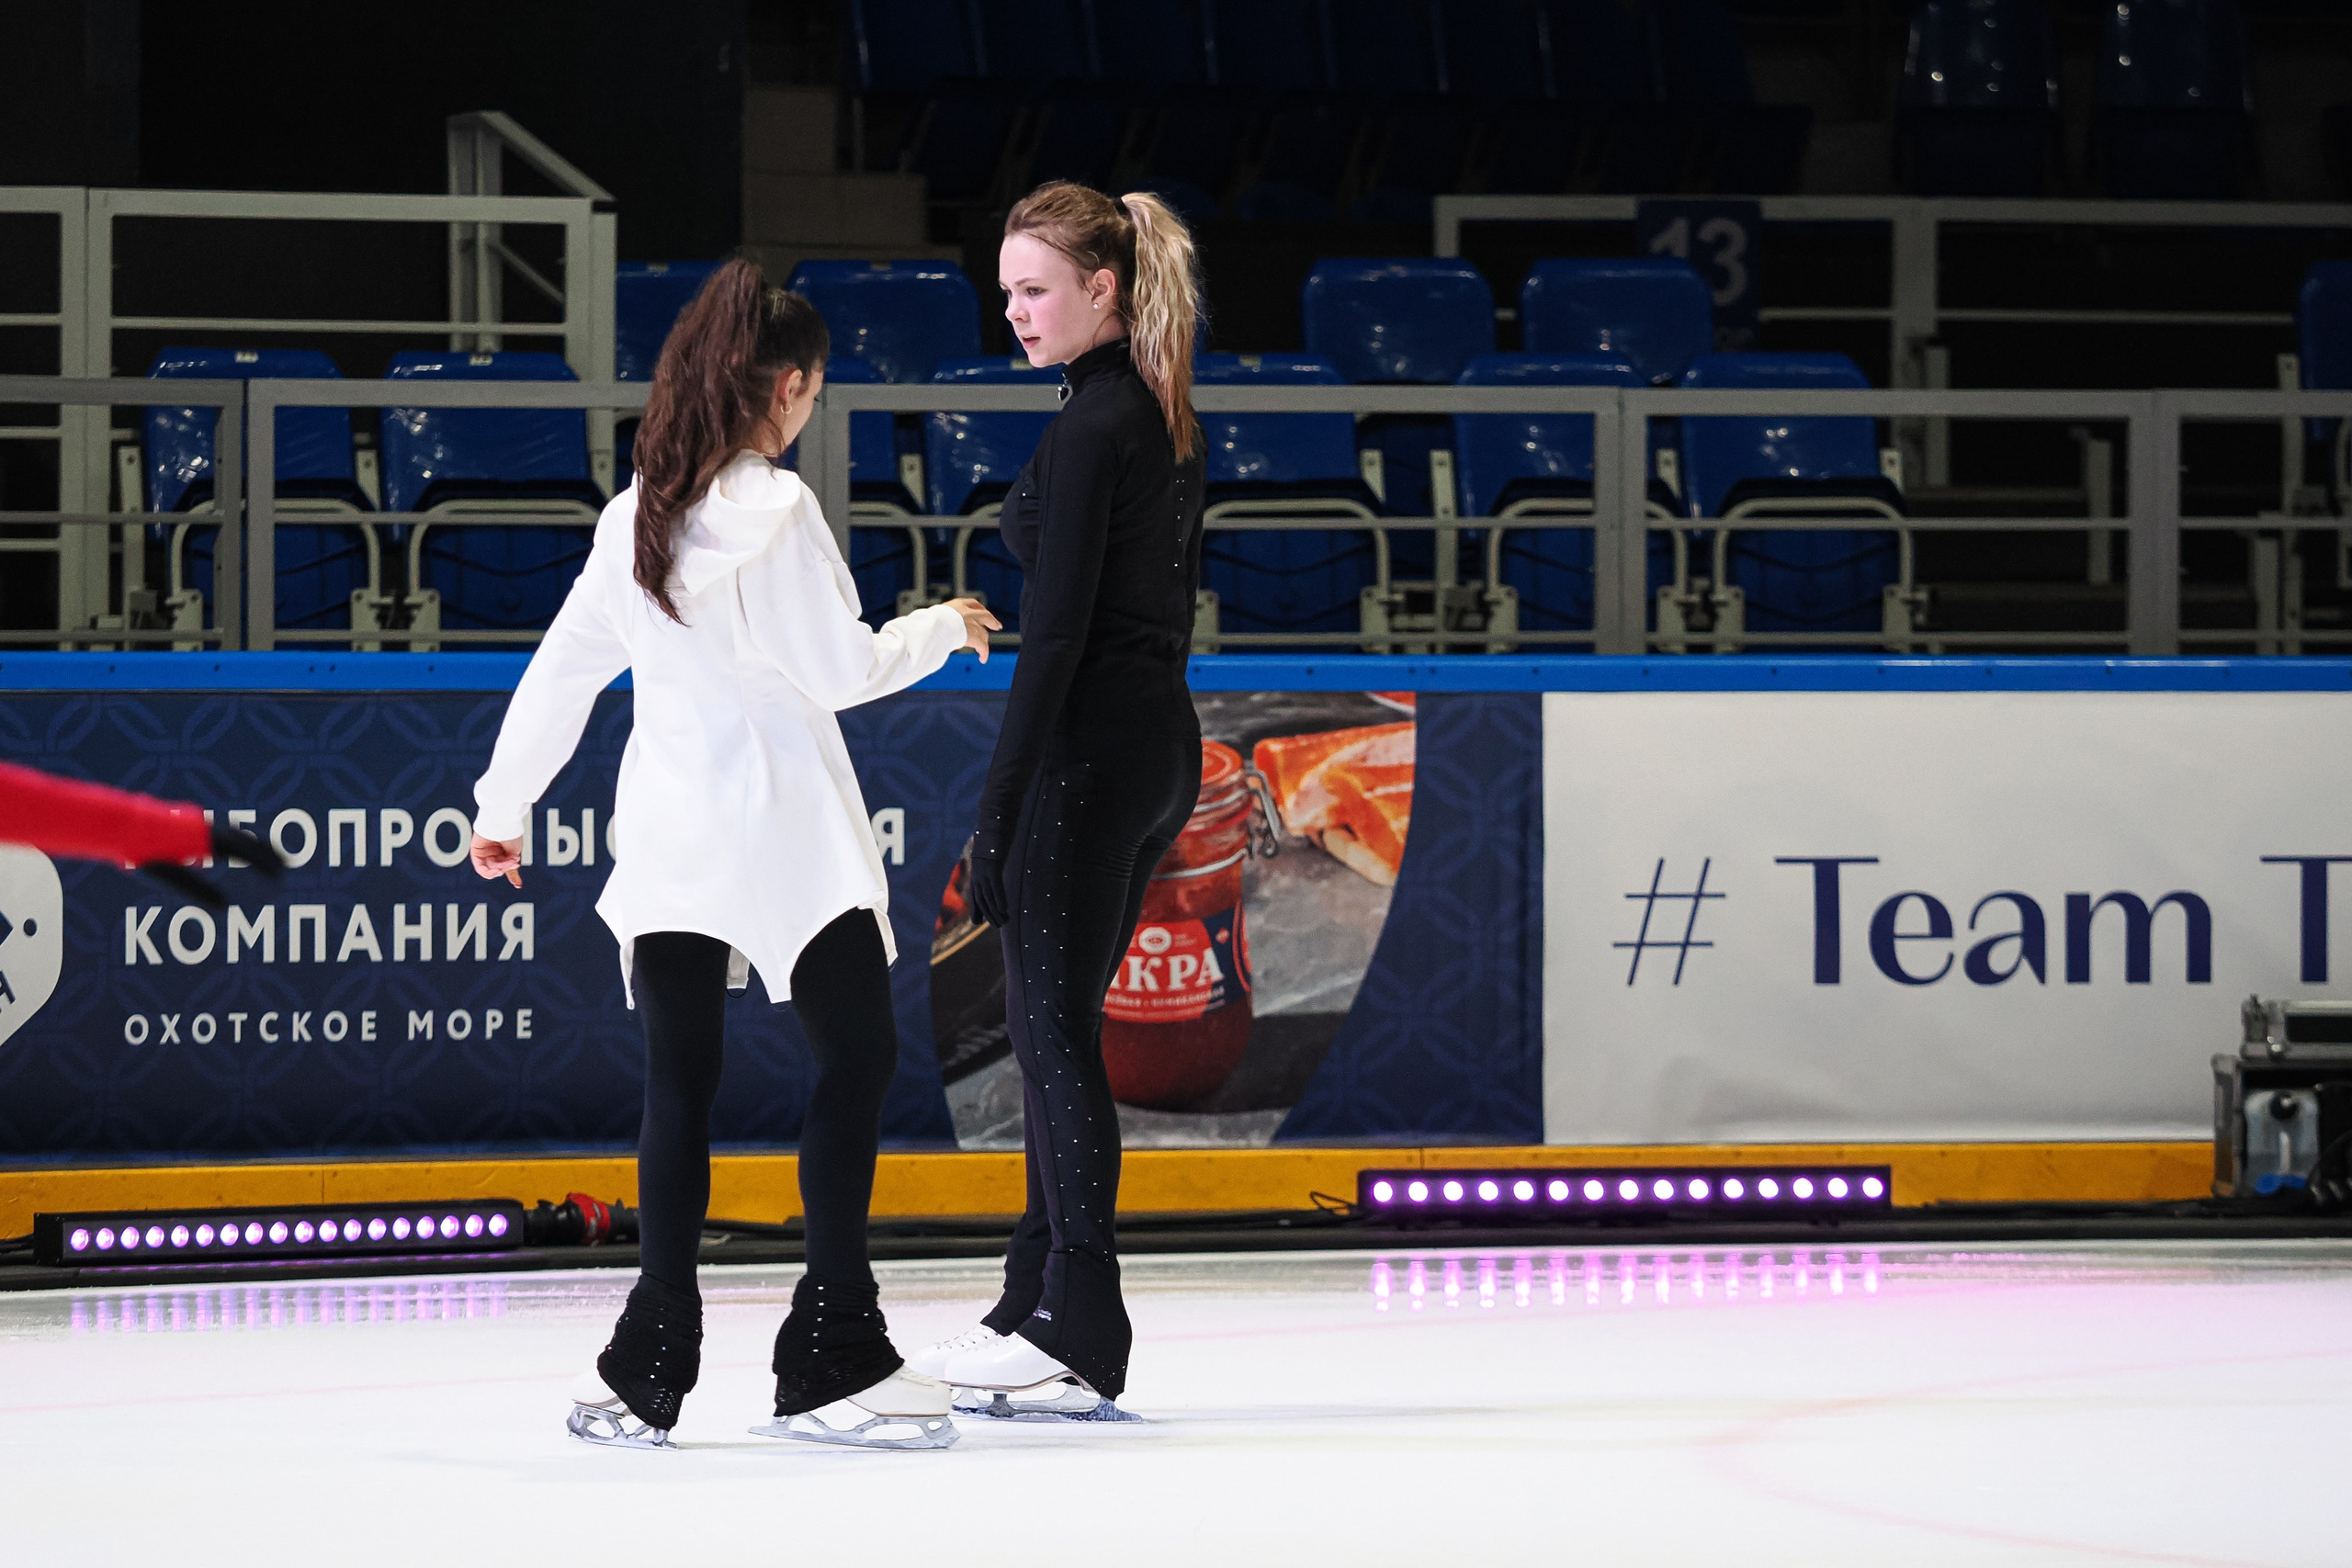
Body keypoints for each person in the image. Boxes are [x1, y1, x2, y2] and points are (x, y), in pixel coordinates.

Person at [466, 258, 999, 1452]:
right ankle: (835, 1350)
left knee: (679, 1093)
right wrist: (942, 628)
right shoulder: (778, 512)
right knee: (854, 1062)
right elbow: (837, 671)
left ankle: (649, 1361)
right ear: (795, 385)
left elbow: (561, 675)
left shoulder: (635, 515)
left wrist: (503, 807)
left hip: (674, 843)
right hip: (789, 841)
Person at [908, 184, 1206, 1420]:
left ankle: (1081, 1322)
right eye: (1008, 287)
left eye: (1035, 288)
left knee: (1052, 1034)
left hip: (1091, 756)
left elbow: (1057, 634)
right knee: (1055, 1028)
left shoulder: (1094, 429)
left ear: (1104, 289)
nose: (1014, 309)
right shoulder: (1152, 409)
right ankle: (1034, 1293)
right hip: (1154, 750)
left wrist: (1001, 792)